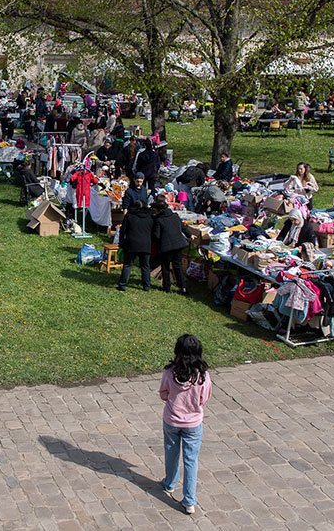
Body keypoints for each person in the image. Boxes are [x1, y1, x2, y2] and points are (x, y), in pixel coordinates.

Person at [159, 334, 211, 516]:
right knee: (191, 460)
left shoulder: (169, 372)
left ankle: (169, 483)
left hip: (172, 420)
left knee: (171, 452)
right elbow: (204, 399)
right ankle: (189, 500)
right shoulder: (203, 375)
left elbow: (163, 393)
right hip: (193, 424)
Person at [152, 197, 188, 295]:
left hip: (166, 246)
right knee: (178, 266)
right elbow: (183, 227)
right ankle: (183, 286)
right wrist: (189, 235)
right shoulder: (175, 216)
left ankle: (166, 287)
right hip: (178, 244)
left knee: (166, 267)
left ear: (159, 210)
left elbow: (157, 235)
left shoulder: (159, 220)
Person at [117, 201, 153, 292]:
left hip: (131, 243)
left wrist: (121, 242)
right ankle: (146, 286)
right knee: (145, 266)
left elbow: (123, 230)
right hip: (145, 244)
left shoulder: (129, 216)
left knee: (128, 264)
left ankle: (122, 284)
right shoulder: (149, 217)